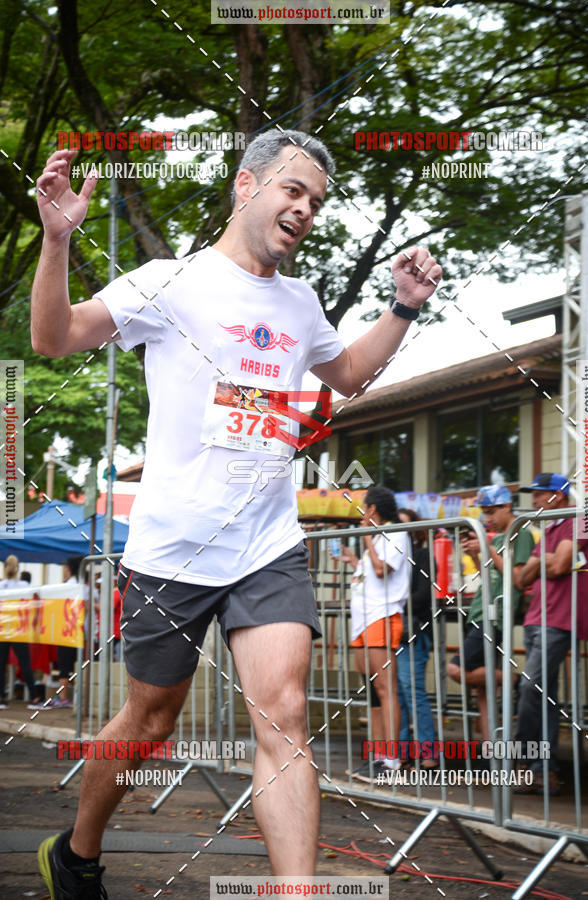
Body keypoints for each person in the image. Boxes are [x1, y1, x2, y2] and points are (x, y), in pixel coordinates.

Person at [32, 129, 442, 895]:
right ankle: (77, 854)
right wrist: (56, 242)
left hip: (266, 544)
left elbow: (349, 374)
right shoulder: (171, 281)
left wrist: (403, 308)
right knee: (151, 720)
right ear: (246, 187)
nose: (306, 209)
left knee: (285, 713)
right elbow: (53, 337)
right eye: (293, 190)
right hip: (174, 548)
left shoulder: (300, 302)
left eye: (316, 200)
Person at [514, 473, 588, 795]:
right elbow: (522, 579)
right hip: (538, 617)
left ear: (557, 496)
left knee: (529, 686)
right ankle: (544, 771)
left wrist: (542, 563)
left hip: (560, 619)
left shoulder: (582, 521)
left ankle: (524, 760)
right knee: (544, 696)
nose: (533, 501)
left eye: (538, 494)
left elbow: (560, 565)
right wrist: (544, 562)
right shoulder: (549, 529)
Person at [447, 485, 534, 744]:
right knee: (483, 690)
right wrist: (476, 554)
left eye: (492, 511)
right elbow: (488, 574)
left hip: (494, 615)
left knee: (456, 669)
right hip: (480, 610)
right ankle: (492, 752)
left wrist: (486, 547)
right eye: (484, 512)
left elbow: (517, 578)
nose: (488, 518)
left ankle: (516, 681)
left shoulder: (520, 533)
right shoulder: (496, 538)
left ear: (507, 506)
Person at [341, 485, 410, 779]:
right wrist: (353, 561)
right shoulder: (379, 536)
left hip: (382, 615)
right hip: (362, 619)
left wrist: (367, 538)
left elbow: (383, 570)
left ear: (372, 509)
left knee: (385, 688)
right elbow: (369, 572)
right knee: (371, 691)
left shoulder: (396, 533)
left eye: (363, 507)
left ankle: (391, 759)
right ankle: (378, 756)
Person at [395, 508, 437, 767]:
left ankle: (428, 751)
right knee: (398, 694)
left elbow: (424, 594)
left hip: (413, 631)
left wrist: (391, 604)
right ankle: (402, 752)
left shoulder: (422, 555)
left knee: (411, 691)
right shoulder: (392, 557)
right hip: (394, 631)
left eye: (403, 526)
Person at [0, 555, 45, 710]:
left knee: (1, 664)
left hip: (3, 628)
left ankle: (2, 698)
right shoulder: (24, 585)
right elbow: (34, 600)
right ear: (18, 568)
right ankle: (34, 698)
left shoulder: (1, 585)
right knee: (25, 663)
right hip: (19, 628)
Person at [49, 556, 83, 709]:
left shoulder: (68, 586)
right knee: (75, 665)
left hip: (66, 631)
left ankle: (63, 698)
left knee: (65, 666)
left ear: (69, 569)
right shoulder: (83, 585)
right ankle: (71, 697)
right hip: (78, 632)